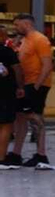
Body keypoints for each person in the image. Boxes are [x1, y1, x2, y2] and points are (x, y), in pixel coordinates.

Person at [5, 12, 55, 170]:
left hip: (35, 84)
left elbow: (47, 65)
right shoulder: (25, 40)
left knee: (34, 117)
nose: (15, 27)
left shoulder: (40, 39)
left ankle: (41, 155)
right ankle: (16, 154)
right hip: (27, 84)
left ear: (26, 24)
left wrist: (36, 86)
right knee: (21, 118)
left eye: (17, 24)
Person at [0, 31, 18, 167]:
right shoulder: (6, 51)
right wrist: (20, 86)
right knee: (6, 124)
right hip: (5, 92)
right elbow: (17, 69)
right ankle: (1, 157)